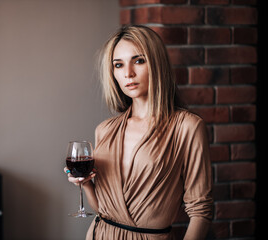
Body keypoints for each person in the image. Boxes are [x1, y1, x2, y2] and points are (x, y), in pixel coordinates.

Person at [64, 25, 213, 240]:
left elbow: (201, 211)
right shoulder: (105, 130)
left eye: (139, 61)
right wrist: (86, 184)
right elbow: (104, 211)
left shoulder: (187, 127)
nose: (128, 73)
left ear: (157, 64)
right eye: (118, 65)